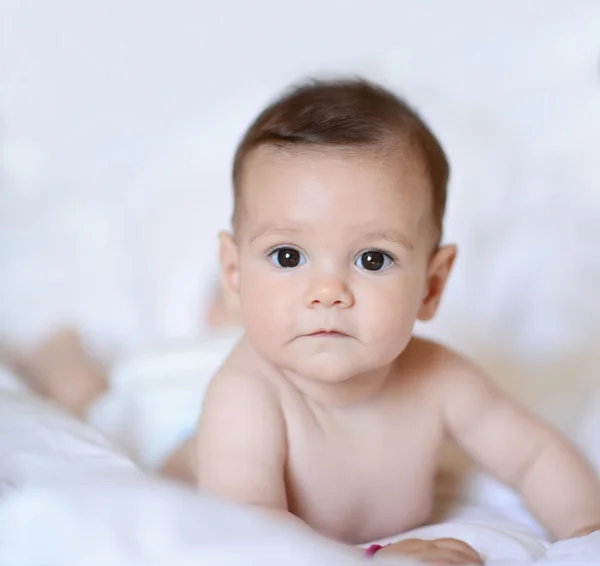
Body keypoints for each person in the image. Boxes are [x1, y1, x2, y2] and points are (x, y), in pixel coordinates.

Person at [193, 78, 600, 564]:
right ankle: (85, 366)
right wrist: (373, 558)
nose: (328, 293)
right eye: (287, 255)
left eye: (371, 260)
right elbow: (247, 535)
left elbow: (535, 456)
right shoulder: (246, 397)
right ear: (236, 274)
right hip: (182, 422)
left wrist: (586, 529)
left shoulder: (441, 379)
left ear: (431, 286)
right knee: (139, 391)